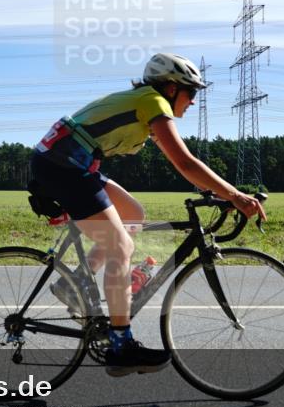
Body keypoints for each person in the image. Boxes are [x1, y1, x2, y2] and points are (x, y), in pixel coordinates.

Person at [30, 52, 267, 377]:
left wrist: (218, 195)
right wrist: (237, 196)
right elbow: (185, 162)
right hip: (64, 163)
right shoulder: (153, 101)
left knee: (133, 214)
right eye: (192, 92)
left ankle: (74, 285)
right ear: (171, 88)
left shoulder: (148, 105)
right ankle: (121, 345)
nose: (194, 102)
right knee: (120, 247)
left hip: (70, 161)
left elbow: (182, 165)